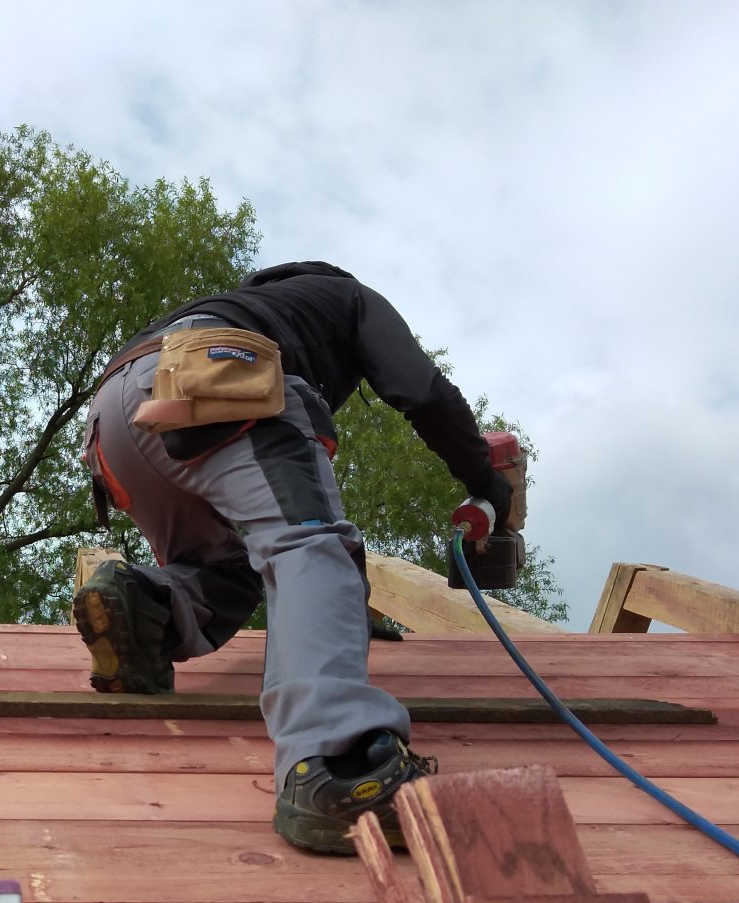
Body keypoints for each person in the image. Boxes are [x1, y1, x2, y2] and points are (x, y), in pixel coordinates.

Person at [74, 261, 516, 854]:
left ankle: (144, 609)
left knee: (222, 571)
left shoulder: (247, 304)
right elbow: (422, 391)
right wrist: (487, 483)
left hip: (113, 418)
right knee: (307, 541)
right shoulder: (349, 296)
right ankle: (334, 761)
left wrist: (342, 615)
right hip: (215, 373)